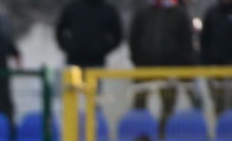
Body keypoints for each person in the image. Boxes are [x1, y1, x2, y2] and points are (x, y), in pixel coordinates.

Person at [129, 0, 197, 130]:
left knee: (168, 105)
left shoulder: (179, 14)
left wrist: (178, 64)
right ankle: (140, 135)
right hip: (144, 68)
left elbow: (185, 42)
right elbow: (134, 38)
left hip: (169, 68)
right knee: (139, 103)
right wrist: (138, 61)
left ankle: (163, 133)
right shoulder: (143, 12)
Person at [55, 0, 123, 69]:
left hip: (96, 61)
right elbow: (60, 30)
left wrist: (102, 50)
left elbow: (118, 35)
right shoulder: (72, 7)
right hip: (74, 60)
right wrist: (68, 47)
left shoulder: (108, 10)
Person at [200, 0, 232, 115]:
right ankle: (220, 130)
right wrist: (205, 64)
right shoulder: (212, 13)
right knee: (219, 106)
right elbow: (204, 41)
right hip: (215, 70)